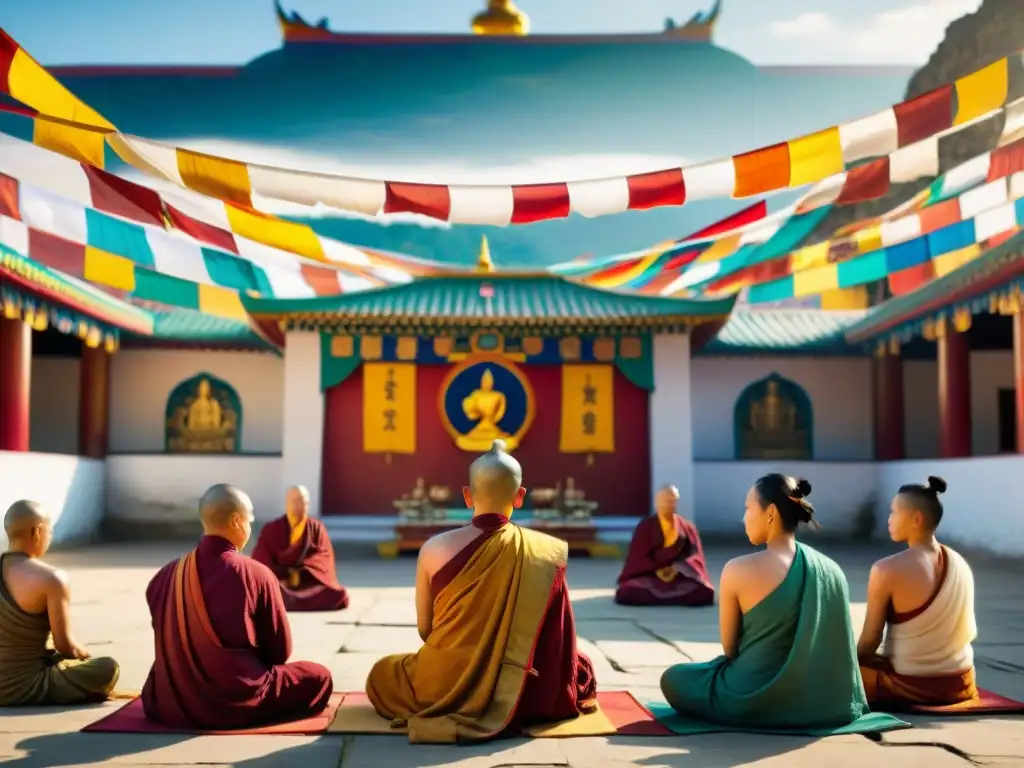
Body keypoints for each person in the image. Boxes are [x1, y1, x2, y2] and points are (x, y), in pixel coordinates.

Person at [365, 440, 597, 743]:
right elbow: (556, 643)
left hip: (443, 684)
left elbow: (426, 629)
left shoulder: (433, 549)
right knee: (580, 666)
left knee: (382, 675)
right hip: (526, 693)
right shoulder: (544, 553)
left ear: (466, 496)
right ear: (519, 497)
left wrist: (471, 654)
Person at [660, 474, 869, 728]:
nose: (744, 517)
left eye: (748, 508)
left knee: (674, 678)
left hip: (750, 698)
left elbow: (730, 649)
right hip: (826, 704)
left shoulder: (737, 569)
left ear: (770, 512)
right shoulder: (832, 570)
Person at [141, 484, 333, 729]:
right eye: (249, 521)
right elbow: (279, 652)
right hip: (235, 702)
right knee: (318, 676)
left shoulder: (164, 576)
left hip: (170, 704)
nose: (250, 528)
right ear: (236, 521)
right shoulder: (256, 574)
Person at [857, 476, 977, 707]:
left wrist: (852, 663)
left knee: (828, 668)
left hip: (909, 685)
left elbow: (869, 642)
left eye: (894, 512)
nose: (889, 520)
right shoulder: (960, 562)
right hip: (961, 683)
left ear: (916, 519)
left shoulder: (886, 569)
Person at [0, 500, 120, 706]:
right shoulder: (51, 578)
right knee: (109, 668)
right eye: (50, 530)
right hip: (24, 685)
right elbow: (64, 646)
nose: (50, 536)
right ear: (37, 532)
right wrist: (82, 655)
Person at [251, 485, 349, 612]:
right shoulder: (272, 529)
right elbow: (261, 559)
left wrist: (300, 574)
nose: (300, 505)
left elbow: (323, 558)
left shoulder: (316, 528)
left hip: (308, 582)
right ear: (287, 503)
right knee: (269, 591)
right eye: (296, 500)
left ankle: (280, 601)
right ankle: (279, 598)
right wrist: (282, 577)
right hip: (280, 582)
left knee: (334, 593)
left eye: (304, 501)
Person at [615, 485, 714, 606]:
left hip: (679, 576)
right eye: (665, 500)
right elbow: (637, 556)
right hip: (650, 576)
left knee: (703, 592)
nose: (669, 503)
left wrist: (677, 568)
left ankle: (664, 596)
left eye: (672, 500)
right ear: (657, 502)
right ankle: (675, 598)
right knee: (628, 592)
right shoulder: (646, 526)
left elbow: (695, 555)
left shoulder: (687, 527)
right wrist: (657, 569)